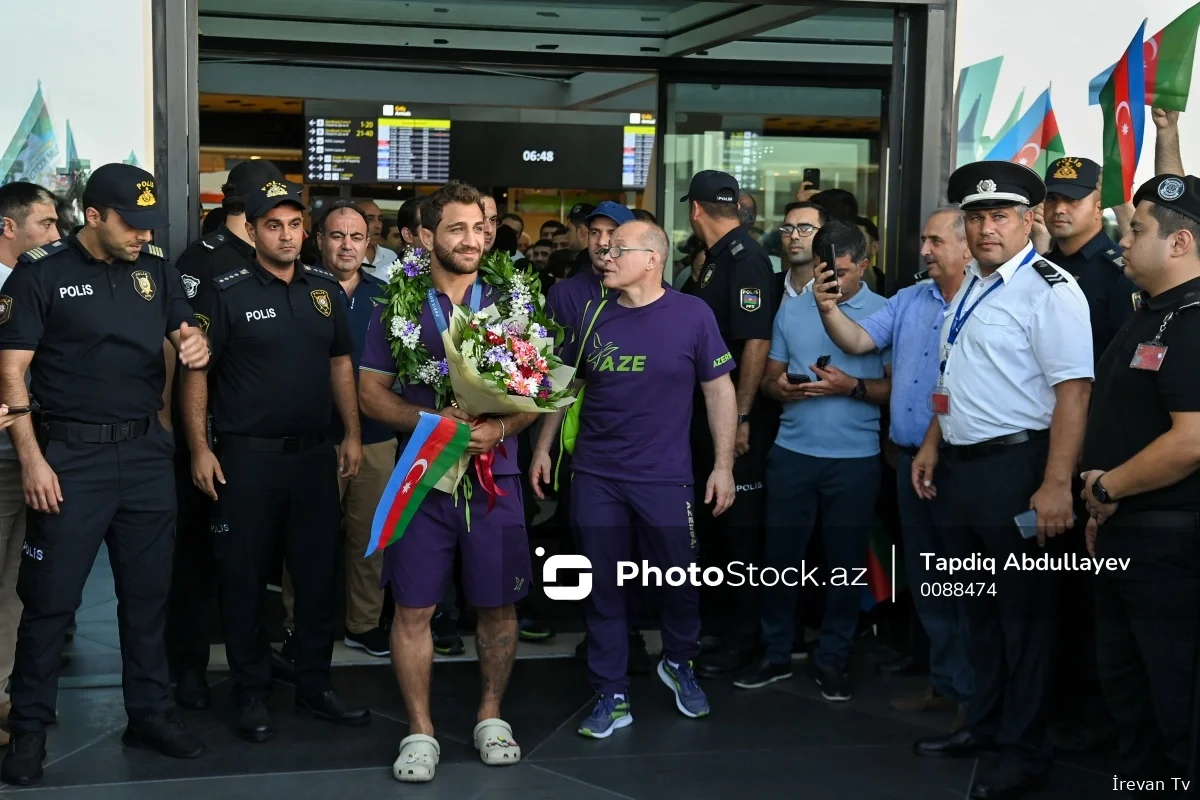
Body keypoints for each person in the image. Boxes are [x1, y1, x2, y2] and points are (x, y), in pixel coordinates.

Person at [0, 163, 210, 785]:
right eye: (131, 224)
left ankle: (149, 712)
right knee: (50, 602)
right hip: (70, 458)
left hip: (146, 454)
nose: (143, 235)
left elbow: (188, 337)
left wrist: (196, 347)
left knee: (147, 598)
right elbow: (11, 371)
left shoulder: (157, 271)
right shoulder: (43, 273)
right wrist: (34, 457)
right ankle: (30, 729)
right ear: (93, 216)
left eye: (150, 225)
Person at [909, 162, 1093, 800]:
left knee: (1025, 621)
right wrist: (934, 441)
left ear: (1027, 220)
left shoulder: (1050, 288)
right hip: (963, 470)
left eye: (1000, 216)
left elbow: (1073, 394)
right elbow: (954, 376)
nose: (987, 228)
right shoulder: (970, 286)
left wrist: (1055, 484)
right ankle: (984, 726)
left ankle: (1025, 750)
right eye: (977, 217)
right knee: (978, 613)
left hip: (1020, 470)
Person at [357, 181, 537, 783]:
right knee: (413, 608)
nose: (472, 239)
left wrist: (501, 428)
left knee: (498, 604)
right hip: (423, 474)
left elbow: (537, 396)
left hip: (495, 475)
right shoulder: (398, 304)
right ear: (427, 236)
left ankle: (491, 715)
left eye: (480, 228)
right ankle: (420, 730)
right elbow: (370, 392)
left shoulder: (512, 300)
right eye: (457, 229)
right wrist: (430, 422)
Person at [530, 220, 737, 738]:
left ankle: (679, 661)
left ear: (652, 259)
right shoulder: (593, 313)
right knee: (602, 587)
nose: (605, 254)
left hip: (666, 477)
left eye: (618, 248)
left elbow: (719, 392)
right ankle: (611, 691)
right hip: (597, 474)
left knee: (681, 579)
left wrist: (724, 465)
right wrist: (541, 448)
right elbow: (568, 385)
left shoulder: (693, 315)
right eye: (605, 246)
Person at [183, 177, 369, 744]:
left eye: (294, 224)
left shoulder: (322, 288)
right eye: (273, 225)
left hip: (314, 456)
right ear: (252, 229)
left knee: (316, 578)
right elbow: (197, 373)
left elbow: (341, 364)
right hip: (246, 460)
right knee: (242, 578)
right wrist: (199, 447)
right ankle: (251, 692)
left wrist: (353, 435)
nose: (286, 235)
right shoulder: (227, 288)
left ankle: (315, 685)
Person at [807, 207, 975, 724]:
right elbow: (858, 341)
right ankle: (947, 686)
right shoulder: (909, 299)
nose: (923, 250)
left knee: (965, 583)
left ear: (968, 245)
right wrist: (827, 307)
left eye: (934, 241)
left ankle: (978, 698)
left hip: (965, 465)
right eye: (923, 239)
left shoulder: (987, 301)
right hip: (908, 462)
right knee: (928, 580)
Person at [1079, 174, 1200, 789]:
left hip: (1168, 542)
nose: (1121, 240)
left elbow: (1193, 440)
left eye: (1136, 229)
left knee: (1170, 692)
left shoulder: (1194, 320)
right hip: (1127, 533)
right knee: (1127, 688)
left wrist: (1107, 490)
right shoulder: (1152, 312)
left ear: (1179, 243)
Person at [737, 220, 891, 700]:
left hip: (855, 459)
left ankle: (833, 660)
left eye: (843, 273)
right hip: (793, 453)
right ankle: (777, 654)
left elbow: (897, 391)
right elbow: (769, 379)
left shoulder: (885, 313)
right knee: (780, 560)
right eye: (827, 272)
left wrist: (851, 387)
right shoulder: (794, 310)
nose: (833, 283)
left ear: (863, 267)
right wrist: (779, 388)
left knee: (844, 565)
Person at [165, 158, 284, 711]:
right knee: (196, 554)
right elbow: (182, 356)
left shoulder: (278, 259)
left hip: (259, 439)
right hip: (208, 436)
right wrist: (193, 442)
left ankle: (258, 653)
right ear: (245, 207)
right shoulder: (202, 260)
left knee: (255, 557)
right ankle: (187, 665)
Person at [278, 201, 396, 659]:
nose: (346, 245)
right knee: (306, 540)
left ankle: (363, 625)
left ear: (369, 244)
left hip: (377, 438)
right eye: (336, 235)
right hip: (312, 438)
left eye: (356, 237)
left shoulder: (388, 295)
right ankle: (297, 626)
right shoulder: (295, 288)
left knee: (371, 538)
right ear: (319, 239)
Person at [680, 170, 776, 678]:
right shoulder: (716, 261)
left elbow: (755, 340)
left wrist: (739, 416)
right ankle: (718, 632)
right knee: (714, 529)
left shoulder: (747, 259)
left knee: (739, 533)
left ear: (695, 210)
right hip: (704, 417)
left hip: (733, 420)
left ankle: (744, 642)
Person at [0, 181, 61, 746]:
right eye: (46, 224)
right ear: (9, 228)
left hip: (38, 452)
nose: (56, 235)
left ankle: (4, 694)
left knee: (20, 582)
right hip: (4, 455)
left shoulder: (43, 283)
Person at [1041, 157, 1138, 361]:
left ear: (1099, 207)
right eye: (1052, 198)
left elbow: (1125, 352)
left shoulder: (1122, 271)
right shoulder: (1038, 267)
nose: (1059, 208)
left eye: (1072, 199)